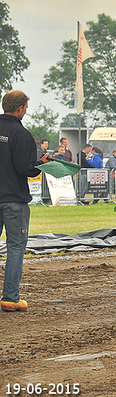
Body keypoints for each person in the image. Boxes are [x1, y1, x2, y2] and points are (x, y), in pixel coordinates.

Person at [0, 90, 53, 312]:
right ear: (20, 108)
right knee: (15, 247)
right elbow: (26, 169)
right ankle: (10, 297)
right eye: (26, 108)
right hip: (14, 200)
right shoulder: (22, 134)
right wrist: (41, 162)